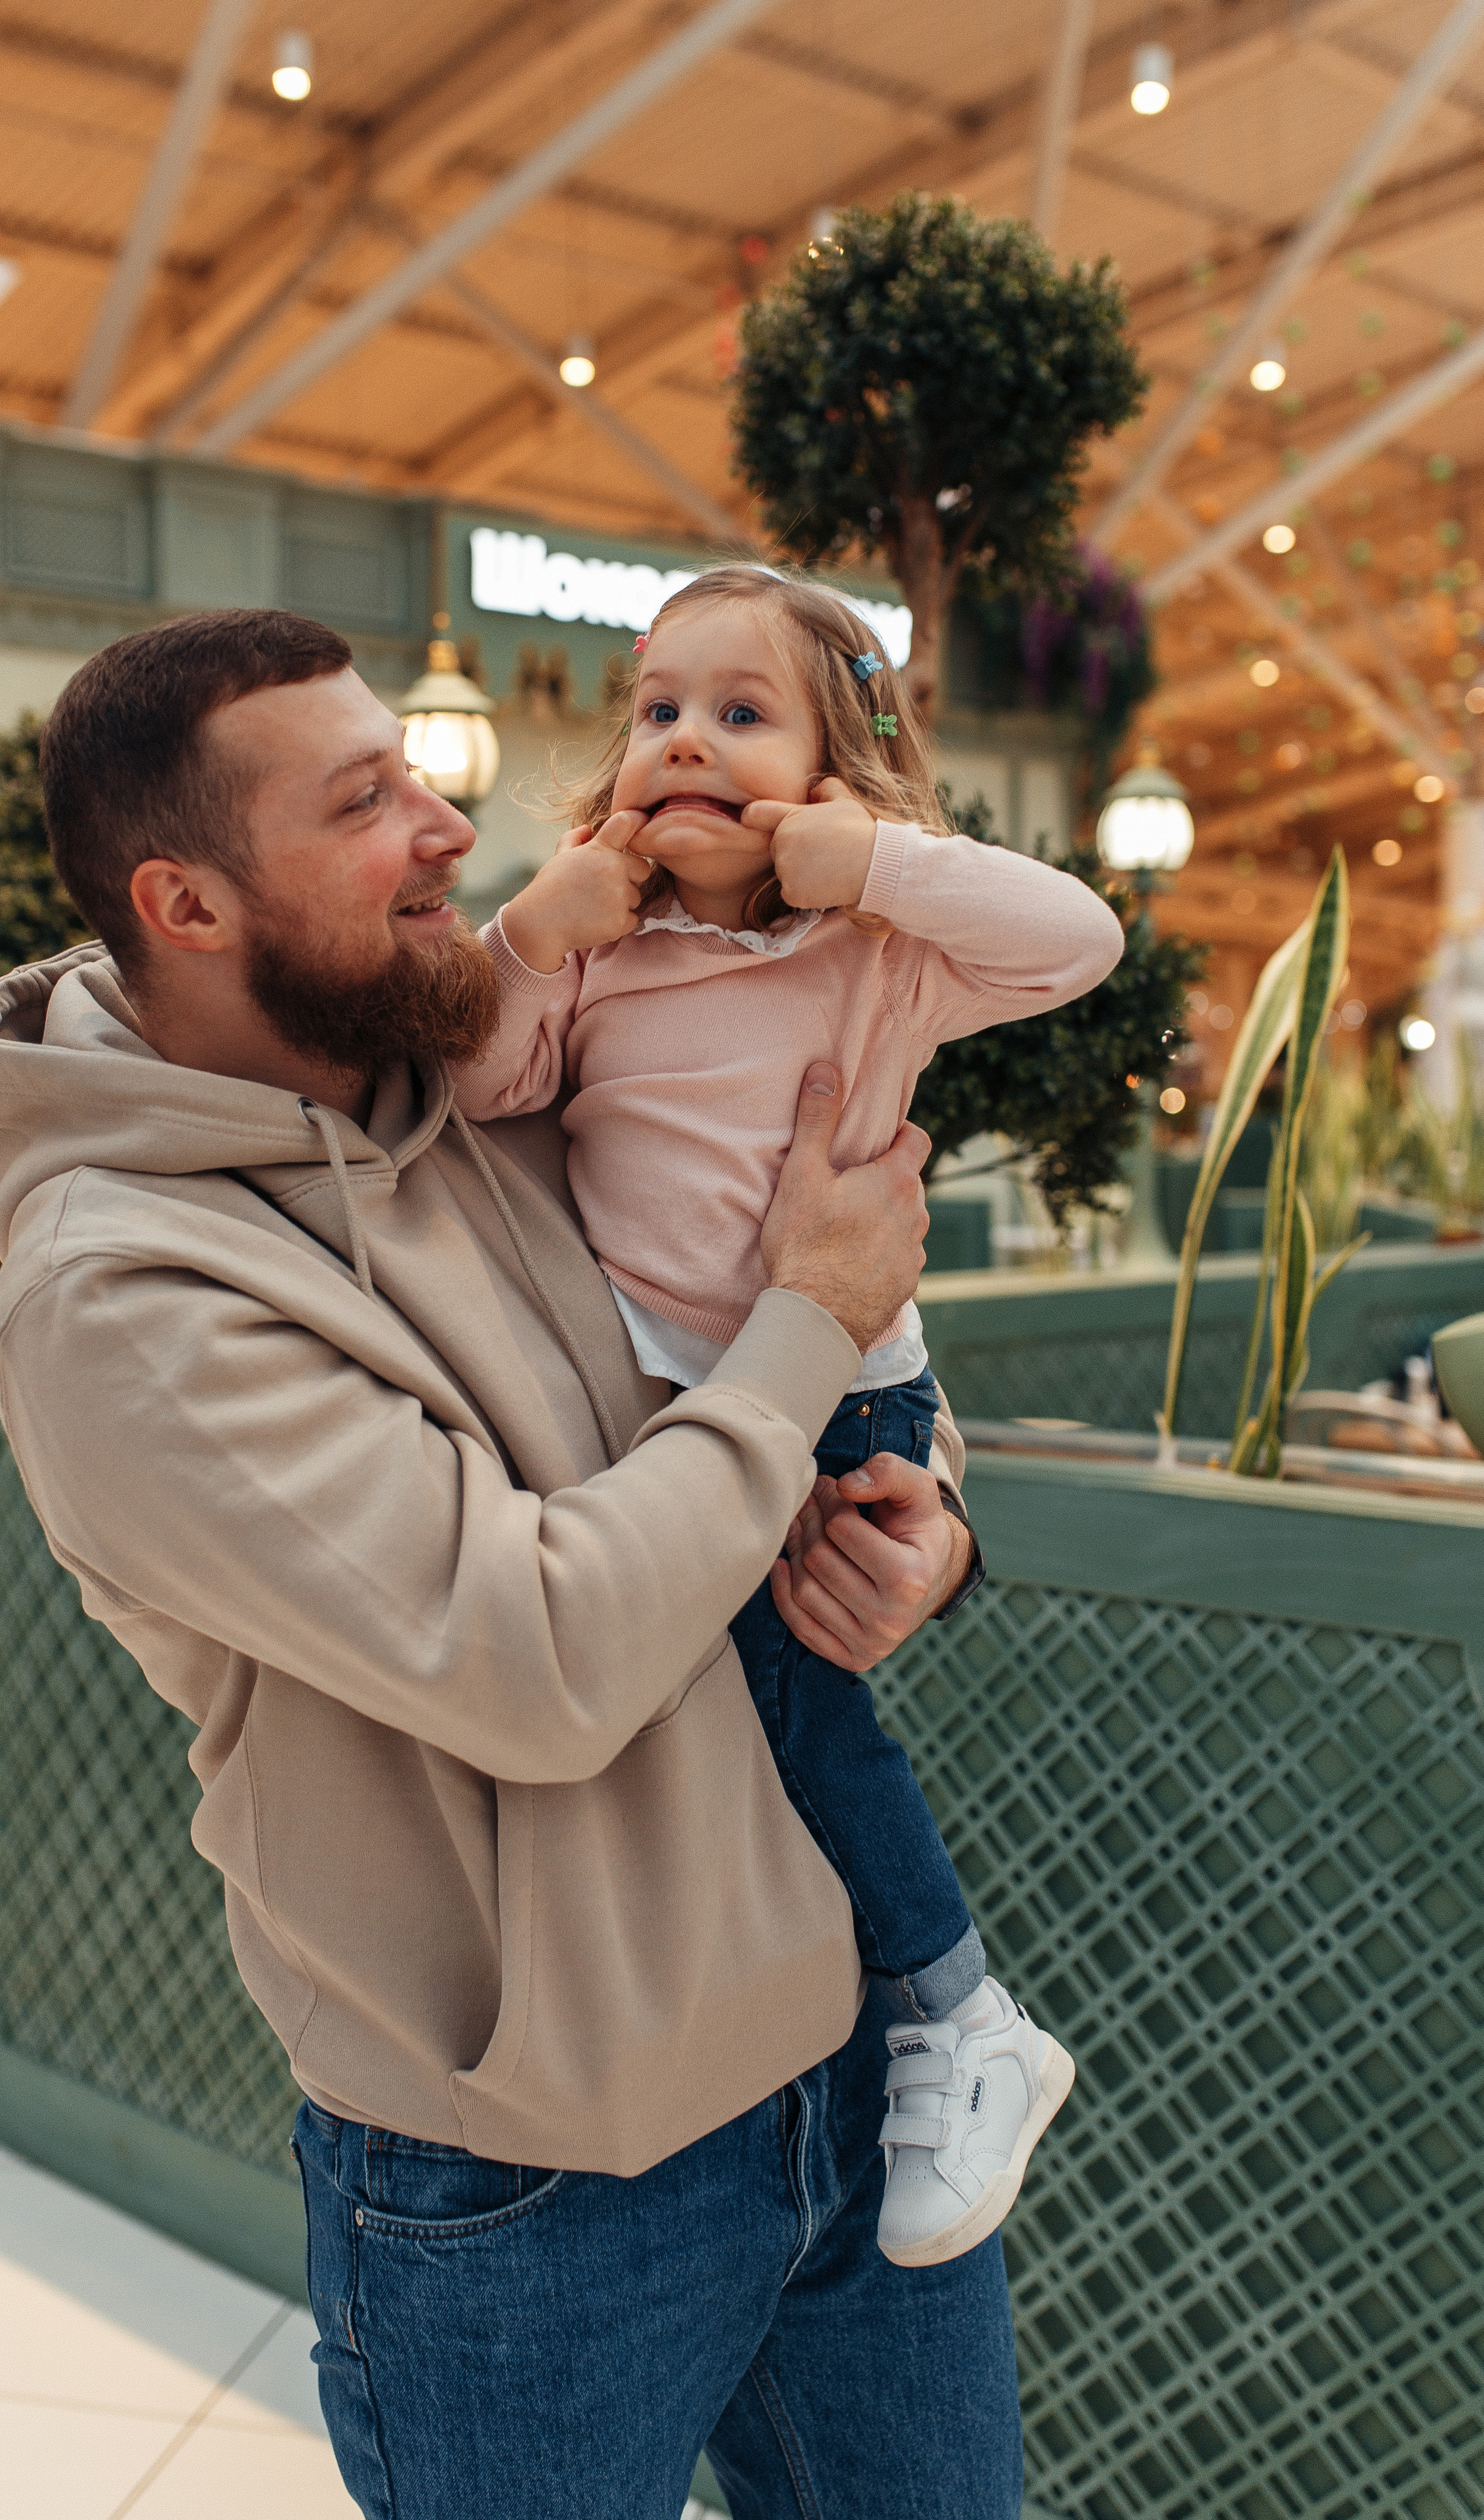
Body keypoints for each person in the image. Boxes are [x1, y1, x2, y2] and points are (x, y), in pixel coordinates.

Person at [0, 608, 1016, 2520]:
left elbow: (753, 1313)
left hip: (839, 2066)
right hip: (537, 2188)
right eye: (369, 798)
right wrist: (806, 1323)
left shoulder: (464, 1073)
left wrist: (925, 1509)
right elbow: (537, 1648)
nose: (451, 830)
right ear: (190, 905)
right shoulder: (123, 1302)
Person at [452, 567, 1124, 2266]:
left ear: (838, 767)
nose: (687, 741)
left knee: (811, 1728)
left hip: (838, 1391)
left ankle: (960, 2019)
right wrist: (542, 924)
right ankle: (885, 2019)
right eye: (660, 708)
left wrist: (879, 864)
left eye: (743, 715)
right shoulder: (606, 958)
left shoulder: (879, 953)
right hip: (673, 1410)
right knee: (730, 1729)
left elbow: (1082, 944)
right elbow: (471, 1080)